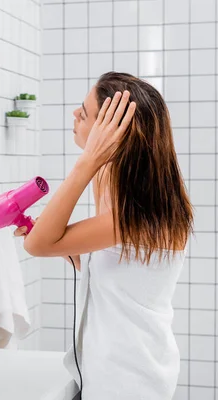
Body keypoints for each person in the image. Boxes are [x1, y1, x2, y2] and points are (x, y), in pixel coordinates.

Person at [15, 72, 193, 399]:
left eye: (84, 113)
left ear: (111, 131)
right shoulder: (123, 195)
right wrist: (64, 244)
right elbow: (115, 276)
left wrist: (88, 160)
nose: (74, 115)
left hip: (129, 381)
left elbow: (37, 245)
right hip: (117, 373)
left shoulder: (138, 215)